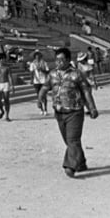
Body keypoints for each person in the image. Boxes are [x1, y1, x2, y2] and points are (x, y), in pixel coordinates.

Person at [44, 47, 98, 178]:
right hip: (59, 112)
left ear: (68, 60)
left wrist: (92, 108)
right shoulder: (52, 74)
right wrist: (40, 99)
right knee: (69, 141)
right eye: (57, 60)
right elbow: (45, 86)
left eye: (62, 60)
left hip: (75, 111)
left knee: (72, 139)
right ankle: (80, 163)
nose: (59, 62)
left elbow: (86, 91)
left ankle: (70, 166)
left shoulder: (77, 74)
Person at [27, 50, 50, 116]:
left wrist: (41, 69)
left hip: (43, 80)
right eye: (36, 55)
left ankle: (45, 109)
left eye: (38, 55)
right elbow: (31, 72)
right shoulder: (33, 64)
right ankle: (41, 109)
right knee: (38, 95)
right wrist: (31, 80)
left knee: (44, 95)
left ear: (40, 55)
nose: (37, 56)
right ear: (35, 56)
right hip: (36, 81)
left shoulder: (44, 63)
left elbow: (47, 71)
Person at [0, 52, 13, 121]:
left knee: (6, 100)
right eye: (1, 59)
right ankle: (2, 111)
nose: (2, 60)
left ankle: (7, 116)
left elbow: (10, 77)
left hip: (5, 83)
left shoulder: (7, 67)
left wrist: (12, 85)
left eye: (3, 58)